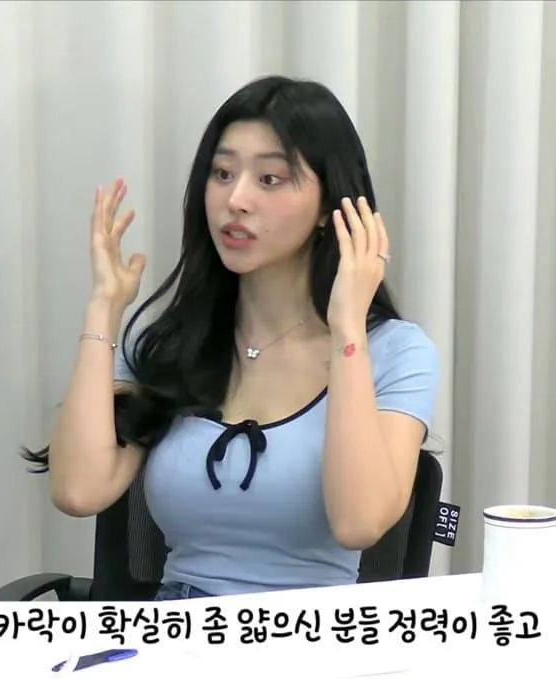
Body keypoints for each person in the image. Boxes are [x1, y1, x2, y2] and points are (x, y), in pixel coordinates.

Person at [24, 75, 440, 601]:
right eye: (222, 174)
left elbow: (359, 523)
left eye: (270, 179)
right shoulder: (170, 343)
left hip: (313, 634)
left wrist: (346, 328)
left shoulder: (396, 352)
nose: (236, 199)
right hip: (177, 630)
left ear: (329, 208)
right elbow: (78, 491)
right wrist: (104, 309)